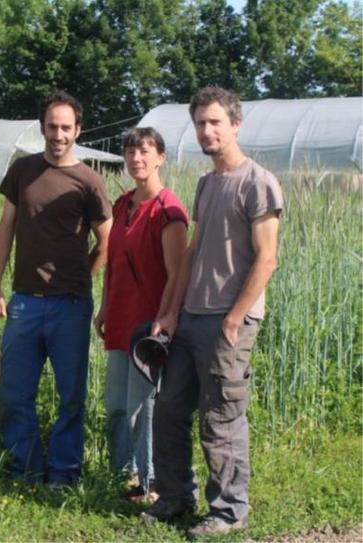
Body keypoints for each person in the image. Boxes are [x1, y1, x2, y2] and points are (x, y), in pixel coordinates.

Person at [140, 86, 283, 540]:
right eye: (200, 122)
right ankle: (176, 497)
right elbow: (192, 254)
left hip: (228, 320)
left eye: (215, 122)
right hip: (191, 317)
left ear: (235, 125)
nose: (207, 130)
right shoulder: (206, 184)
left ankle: (228, 510)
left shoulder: (258, 182)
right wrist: (169, 311)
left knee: (220, 417)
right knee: (169, 409)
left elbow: (266, 259)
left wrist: (235, 318)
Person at [0, 90, 112, 487]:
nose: (57, 134)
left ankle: (63, 472)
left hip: (70, 305)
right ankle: (25, 468)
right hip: (24, 301)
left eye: (65, 127)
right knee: (13, 395)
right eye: (51, 126)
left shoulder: (90, 181)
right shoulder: (22, 171)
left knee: (70, 396)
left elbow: (107, 241)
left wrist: (84, 276)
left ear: (78, 130)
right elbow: (5, 229)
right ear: (42, 127)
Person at [93, 127, 187, 502]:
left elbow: (178, 274)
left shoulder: (169, 211)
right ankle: (122, 475)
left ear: (160, 157)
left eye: (145, 151)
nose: (137, 158)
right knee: (115, 404)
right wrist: (104, 305)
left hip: (148, 325)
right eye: (131, 151)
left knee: (141, 406)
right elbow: (113, 261)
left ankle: (149, 483)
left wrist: (165, 319)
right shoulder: (123, 204)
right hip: (119, 316)